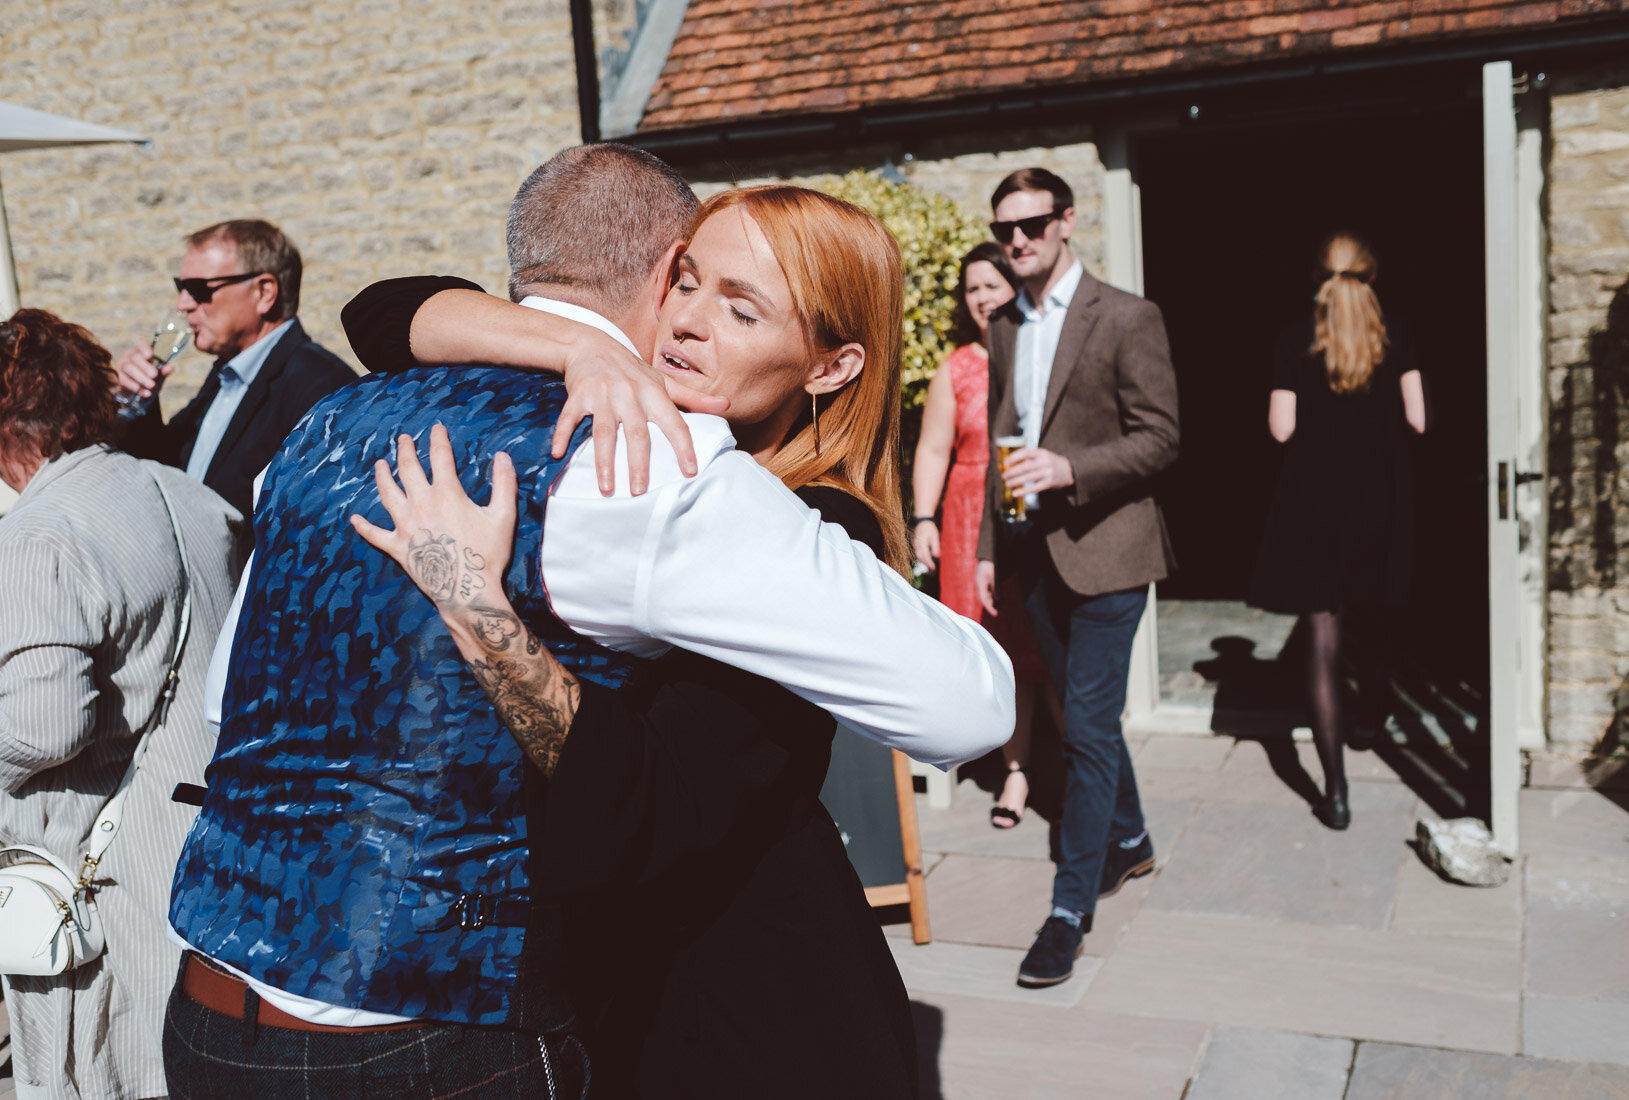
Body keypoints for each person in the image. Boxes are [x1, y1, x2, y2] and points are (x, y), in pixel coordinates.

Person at [164, 146, 1012, 1098]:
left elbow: (654, 809)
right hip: (483, 1009)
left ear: (831, 366)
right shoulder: (627, 440)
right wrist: (583, 346)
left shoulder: (336, 431)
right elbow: (385, 309)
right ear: (657, 276)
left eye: (740, 309)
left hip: (733, 1004)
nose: (688, 323)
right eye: (688, 284)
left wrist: (479, 607)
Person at [0, 309, 239, 1100]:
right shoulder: (187, 494)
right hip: (215, 844)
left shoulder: (39, 532)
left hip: (107, 877)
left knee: (115, 1071)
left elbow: (40, 725)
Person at [973, 167, 1180, 989]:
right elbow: (999, 439)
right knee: (1078, 719)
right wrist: (990, 546)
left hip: (1113, 552)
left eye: (1030, 225)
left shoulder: (1128, 316)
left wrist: (1071, 467)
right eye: (1004, 230)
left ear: (1065, 223)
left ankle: (1068, 914)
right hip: (1033, 558)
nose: (1017, 241)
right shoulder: (1004, 328)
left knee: (1087, 729)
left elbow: (1163, 436)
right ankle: (1129, 841)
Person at [1249, 233, 1425, 831]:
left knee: (1323, 640)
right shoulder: (1394, 332)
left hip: (1315, 507)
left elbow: (1279, 429)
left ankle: (1336, 791)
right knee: (1374, 617)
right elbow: (1418, 419)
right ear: (1370, 275)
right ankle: (1370, 720)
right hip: (1378, 503)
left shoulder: (1292, 338)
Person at [910, 241, 1048, 828]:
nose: (982, 296)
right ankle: (996, 762)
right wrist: (922, 518)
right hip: (967, 518)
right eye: (973, 289)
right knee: (981, 646)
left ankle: (1036, 767)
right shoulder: (958, 366)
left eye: (992, 284)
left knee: (1030, 642)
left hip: (1028, 515)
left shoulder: (1041, 351)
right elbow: (935, 448)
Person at [115, 219, 356, 529]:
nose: (183, 303)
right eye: (181, 287)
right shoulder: (226, 375)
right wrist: (135, 401)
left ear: (264, 292)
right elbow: (169, 469)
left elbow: (319, 521)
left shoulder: (320, 385)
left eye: (199, 289)